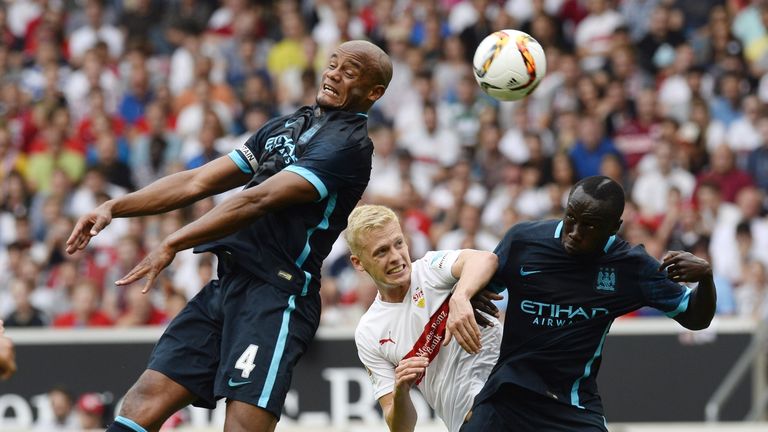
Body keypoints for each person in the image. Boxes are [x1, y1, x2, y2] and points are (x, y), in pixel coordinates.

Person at [65, 40, 392, 432]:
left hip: (277, 296)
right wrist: (115, 207)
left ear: (374, 92)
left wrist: (173, 242)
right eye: (333, 64)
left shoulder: (348, 147)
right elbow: (197, 181)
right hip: (227, 286)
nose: (333, 74)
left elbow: (257, 200)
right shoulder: (286, 125)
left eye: (349, 72)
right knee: (142, 400)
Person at [461, 175, 717, 432]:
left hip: (571, 405)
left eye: (589, 226)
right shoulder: (523, 241)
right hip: (507, 393)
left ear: (613, 228)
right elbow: (475, 282)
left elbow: (696, 318)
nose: (574, 233)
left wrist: (706, 278)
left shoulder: (631, 266)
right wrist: (469, 293)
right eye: (571, 217)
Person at [350, 205, 502, 432]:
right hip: (469, 423)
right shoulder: (369, 331)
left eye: (398, 243)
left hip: (509, 392)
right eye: (381, 251)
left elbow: (486, 260)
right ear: (358, 263)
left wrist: (460, 297)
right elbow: (401, 428)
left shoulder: (430, 269)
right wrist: (401, 390)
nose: (395, 257)